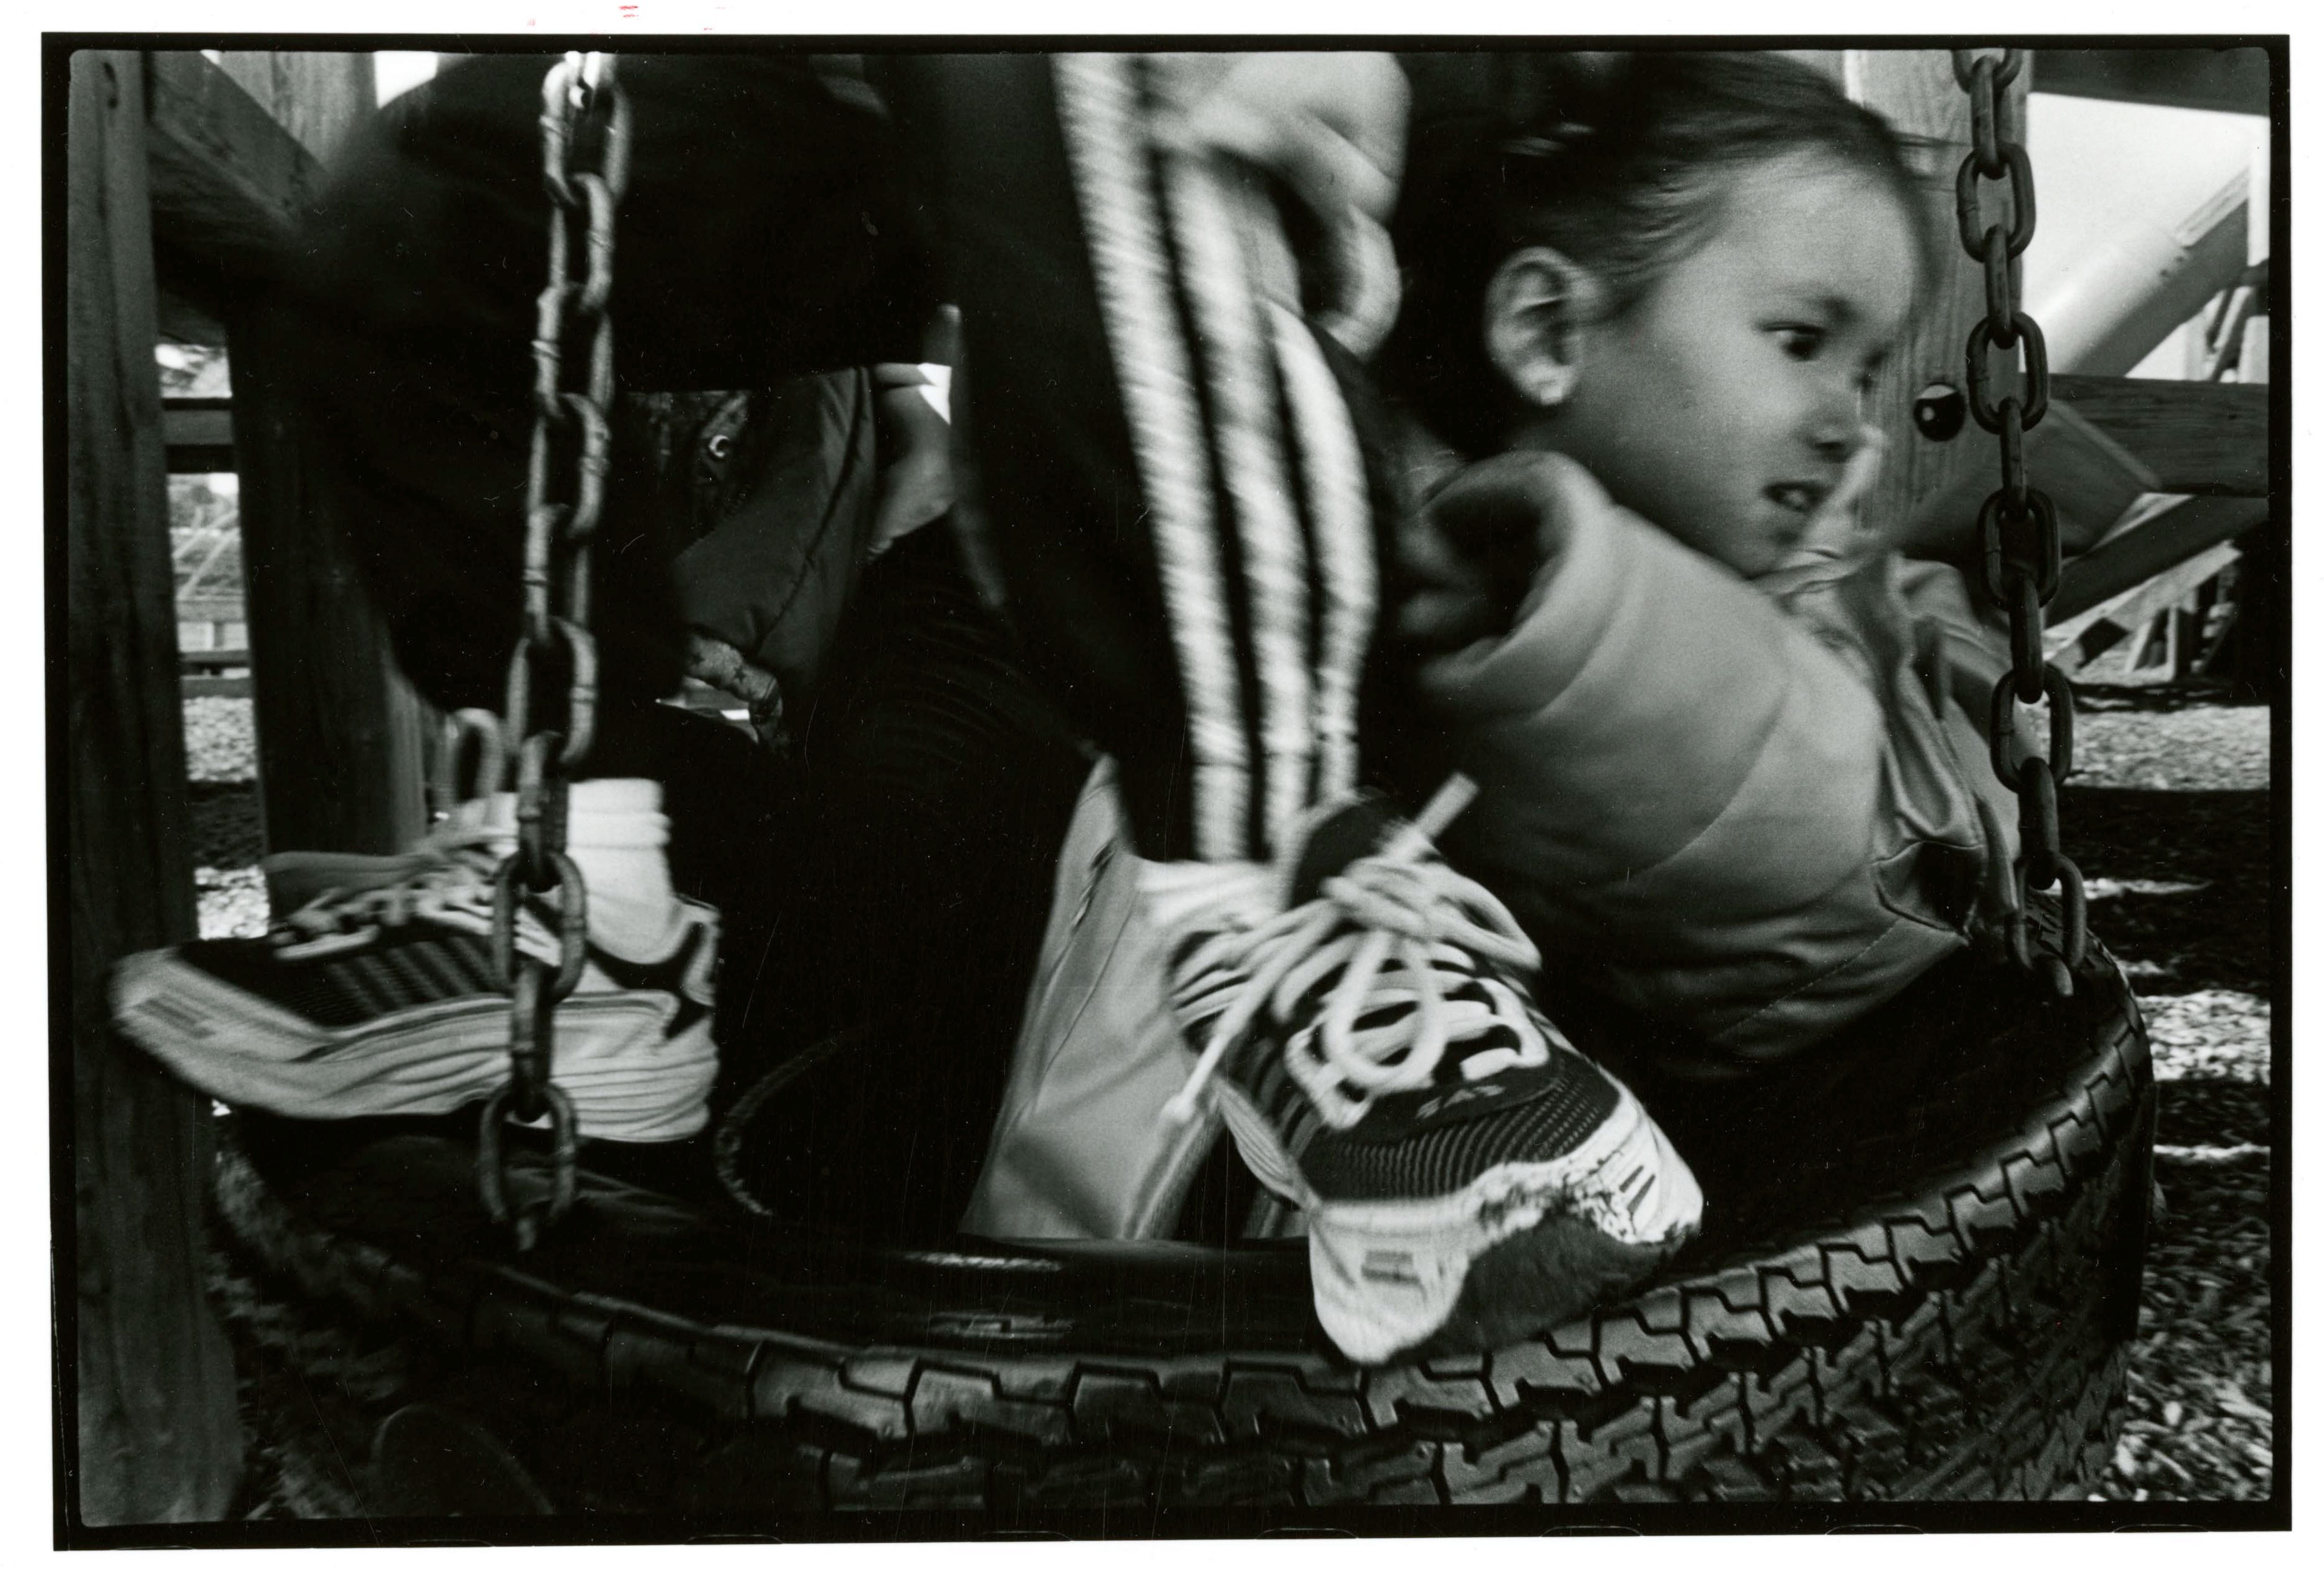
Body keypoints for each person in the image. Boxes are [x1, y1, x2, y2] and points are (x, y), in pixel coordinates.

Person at [113, 52, 1709, 1368]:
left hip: (1235, 91)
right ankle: (589, 895)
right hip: (894, 97)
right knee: (437, 194)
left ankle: (1291, 902)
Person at [1378, 53, 2022, 1063]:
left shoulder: (1817, 604)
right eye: (1800, 342)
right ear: (1548, 331)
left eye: (1865, 373)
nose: (1853, 427)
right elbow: (1872, 866)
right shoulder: (1483, 596)